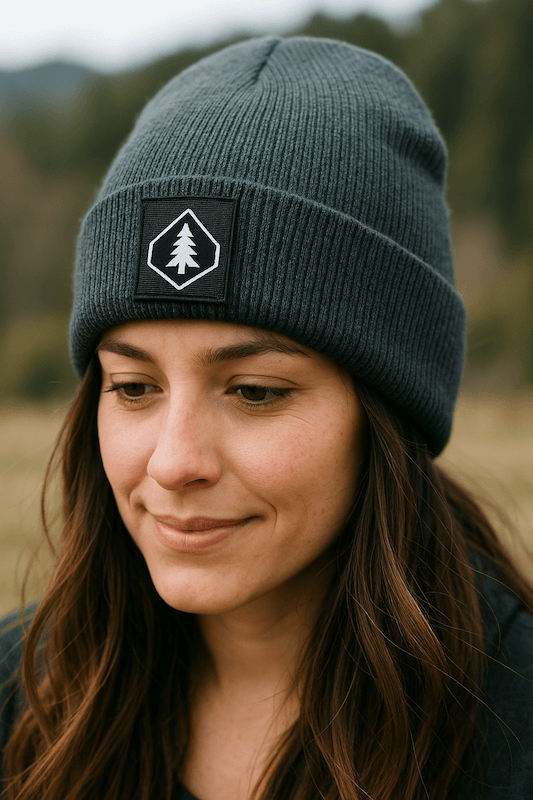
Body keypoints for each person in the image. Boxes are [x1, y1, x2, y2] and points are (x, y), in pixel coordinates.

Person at [1, 35, 532, 800]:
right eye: (133, 386)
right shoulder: (24, 698)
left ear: (386, 411)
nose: (173, 462)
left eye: (253, 391)